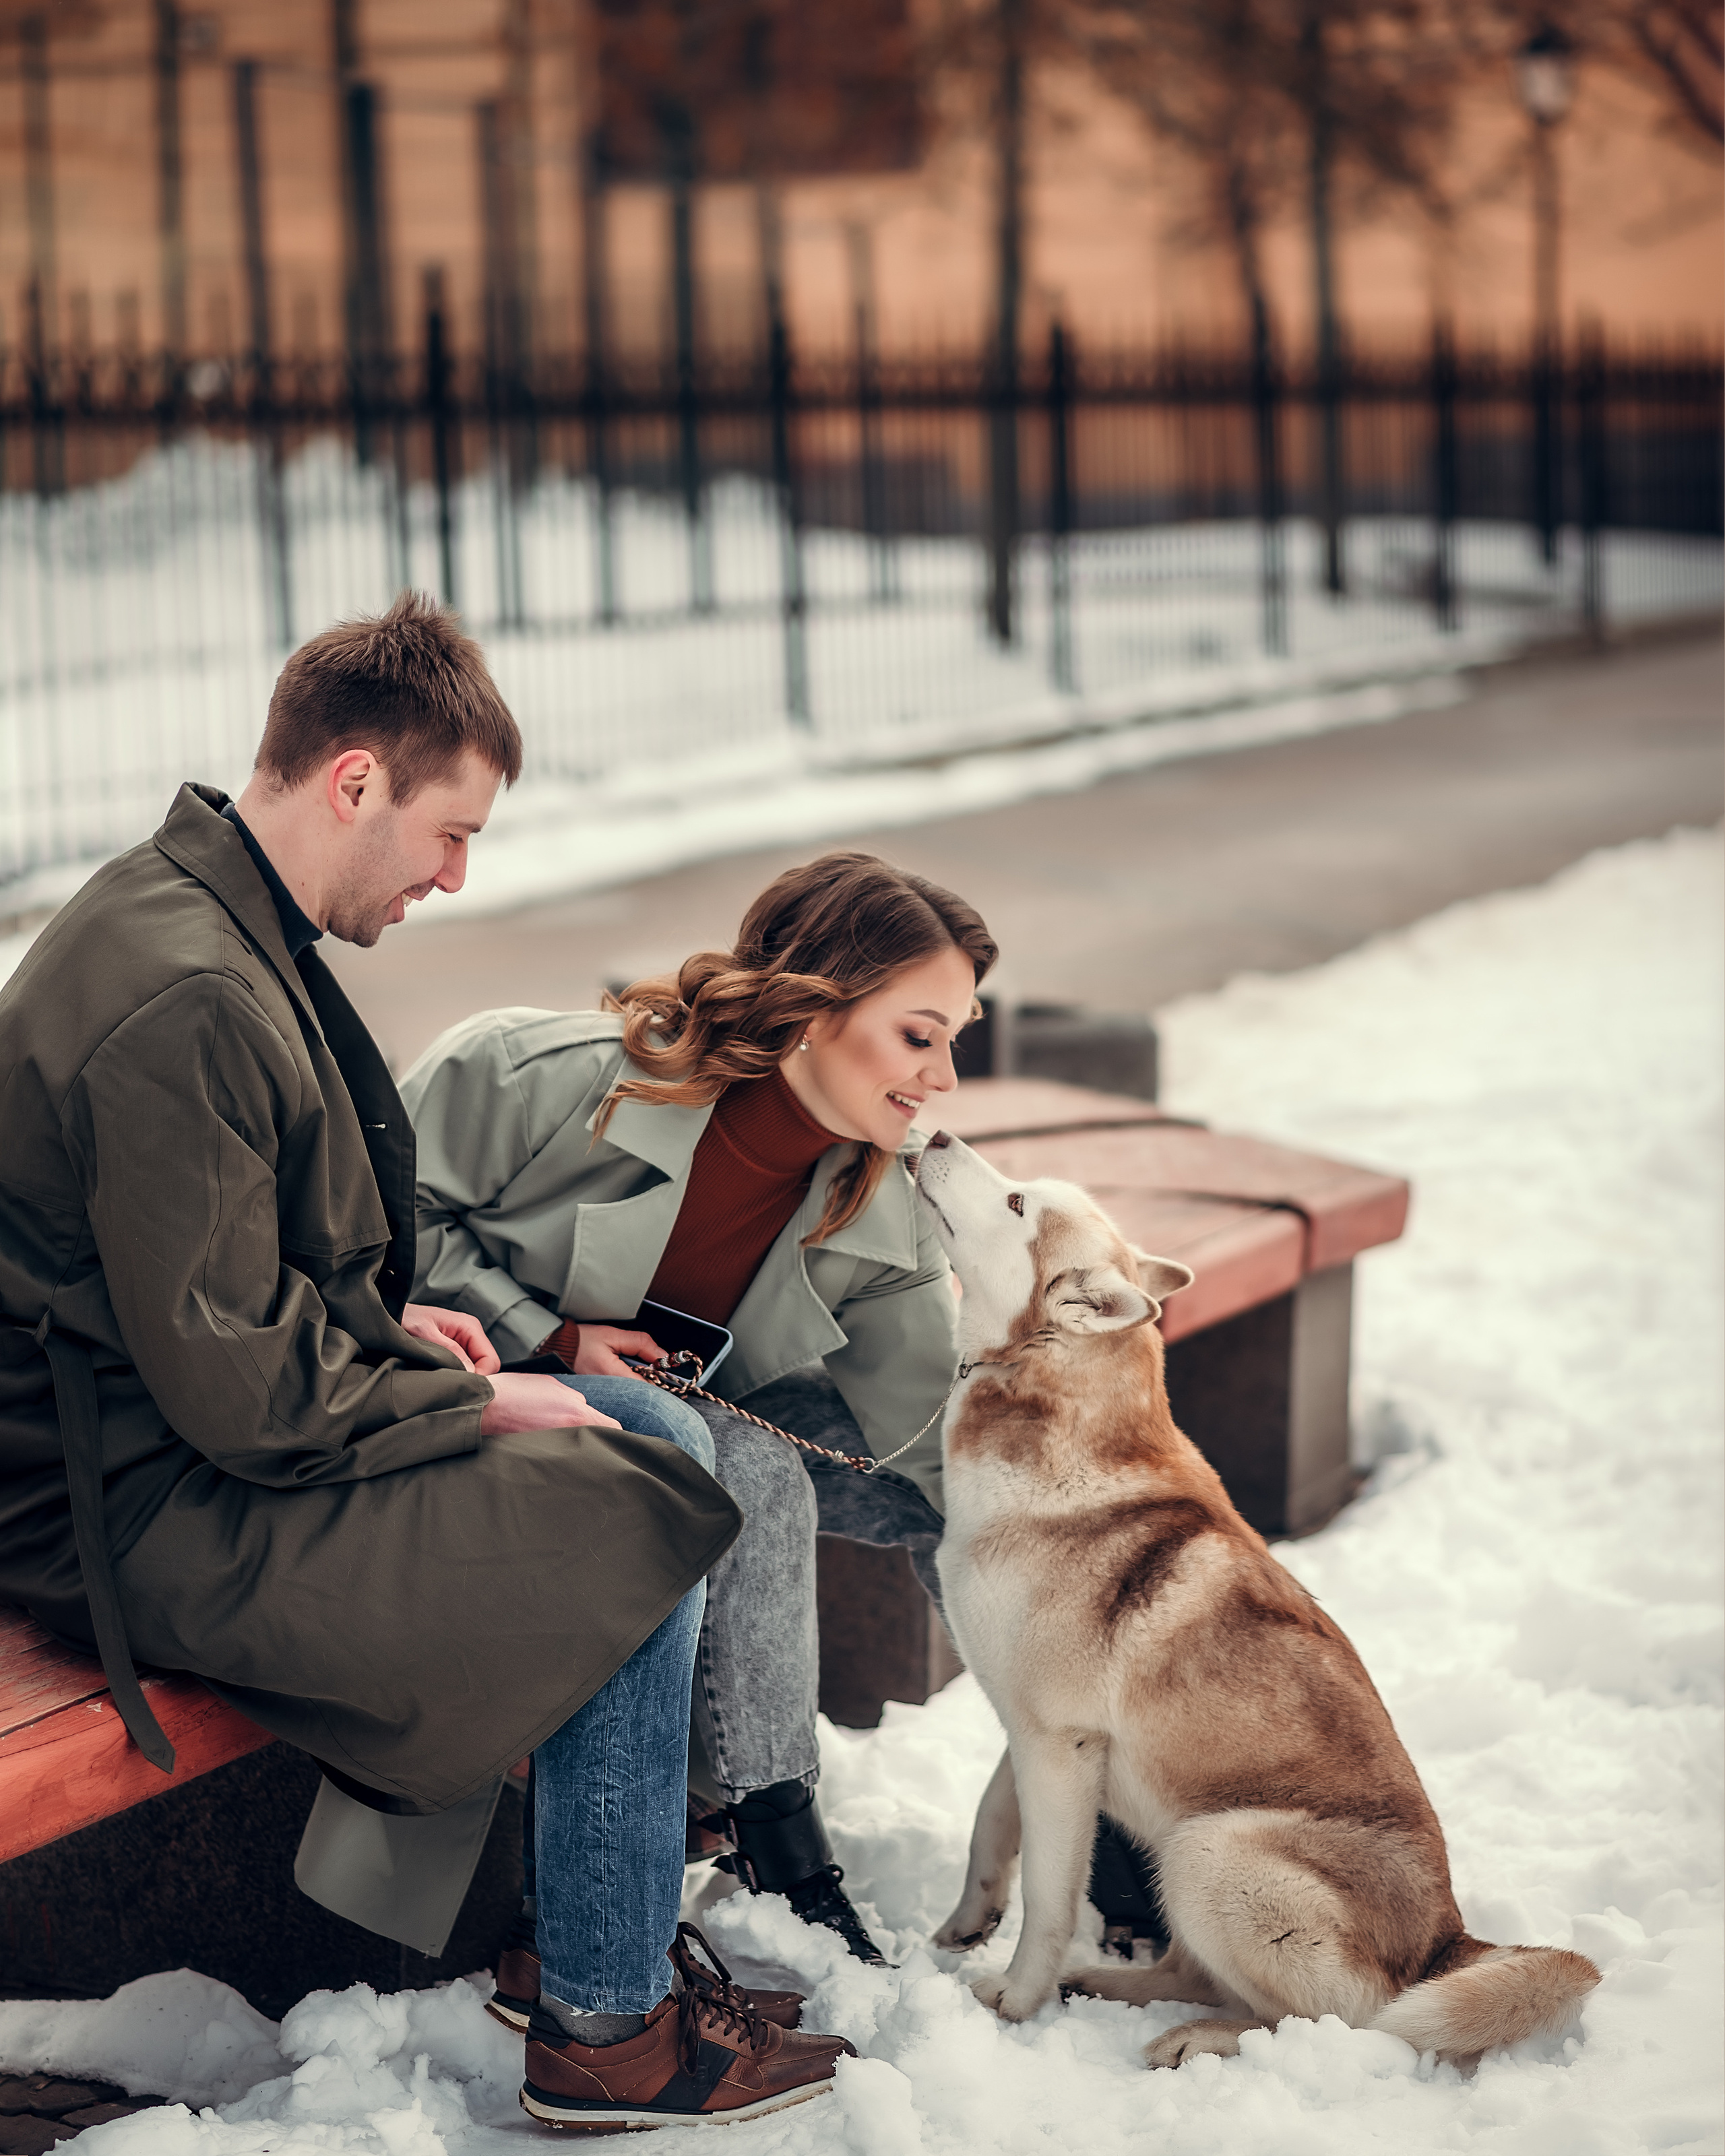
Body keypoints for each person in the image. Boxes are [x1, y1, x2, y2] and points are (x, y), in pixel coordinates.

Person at [0, 594, 851, 2133]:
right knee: (617, 1506)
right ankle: (605, 2027)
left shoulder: (214, 916)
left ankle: (580, 1943)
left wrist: (399, 1336)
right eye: (446, 833)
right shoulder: (186, 984)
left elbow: (215, 1285)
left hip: (176, 1435)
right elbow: (239, 1393)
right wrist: (466, 1393)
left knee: (648, 1436)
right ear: (351, 782)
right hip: (117, 1505)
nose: (454, 876)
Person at [400, 852, 998, 1985]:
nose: (945, 1077)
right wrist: (545, 1330)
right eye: (920, 1034)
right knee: (757, 1468)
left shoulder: (876, 1196)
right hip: (470, 1424)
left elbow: (928, 1442)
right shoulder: (539, 1075)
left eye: (958, 1038)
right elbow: (372, 1226)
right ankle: (781, 1847)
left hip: (668, 1432)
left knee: (971, 1491)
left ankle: (1105, 1808)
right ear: (815, 1010)